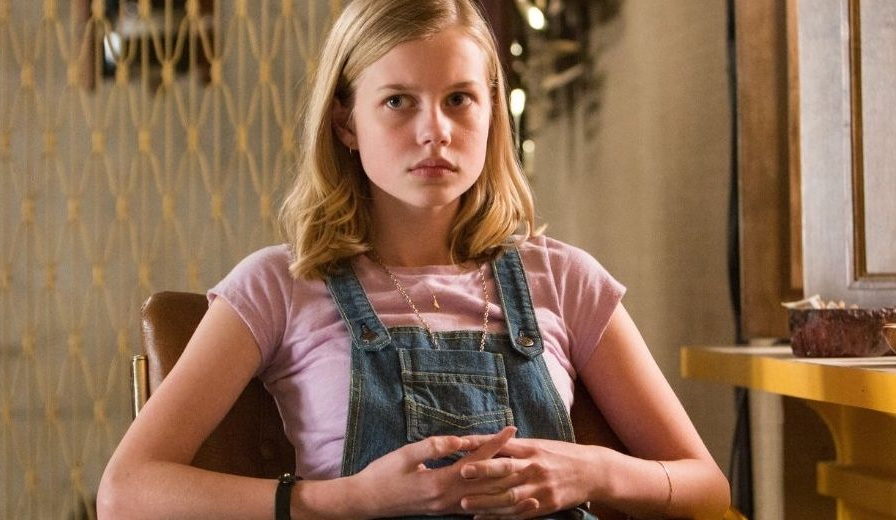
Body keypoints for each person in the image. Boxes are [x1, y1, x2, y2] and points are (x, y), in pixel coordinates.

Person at [98, 0, 731, 518]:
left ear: (491, 113)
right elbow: (126, 493)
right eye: (399, 101)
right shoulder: (277, 285)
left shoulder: (566, 280)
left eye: (459, 99)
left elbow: (707, 486)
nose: (436, 131)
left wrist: (591, 471)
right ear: (346, 123)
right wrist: (347, 501)